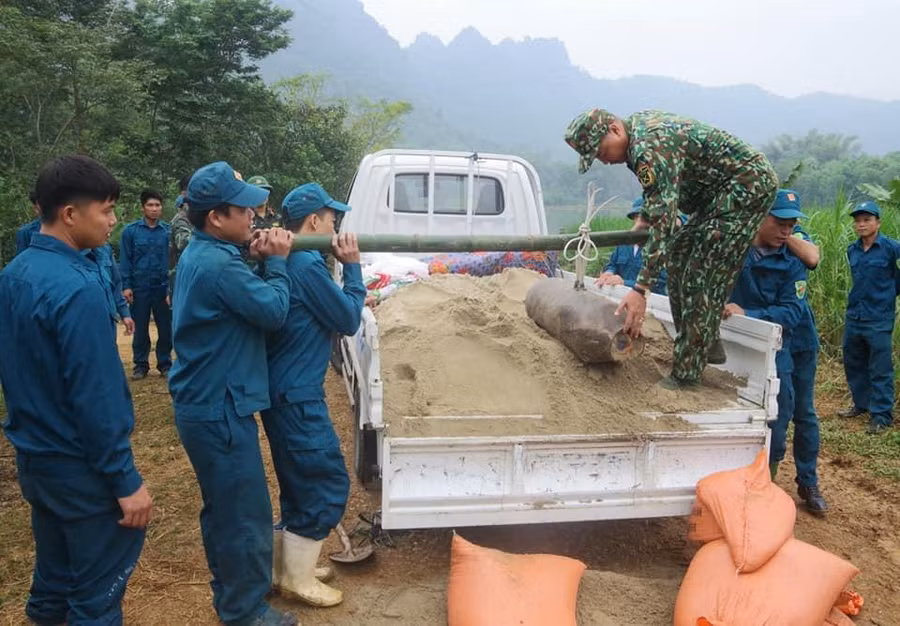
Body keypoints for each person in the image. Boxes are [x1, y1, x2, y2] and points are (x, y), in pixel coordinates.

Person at [0, 155, 152, 625]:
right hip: (80, 467)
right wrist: (124, 481)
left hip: (37, 459)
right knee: (95, 594)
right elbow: (95, 397)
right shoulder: (77, 288)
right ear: (70, 214)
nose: (112, 222)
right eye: (105, 211)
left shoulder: (15, 273)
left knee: (55, 577)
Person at [565, 108, 778, 389]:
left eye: (601, 150)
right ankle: (705, 339)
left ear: (615, 130)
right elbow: (659, 195)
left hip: (746, 186)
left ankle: (686, 376)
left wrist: (641, 289)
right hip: (714, 195)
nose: (602, 160)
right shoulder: (638, 140)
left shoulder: (648, 147)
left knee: (701, 270)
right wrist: (644, 220)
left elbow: (665, 221)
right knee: (678, 253)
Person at [168, 161, 297, 626]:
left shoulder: (205, 255)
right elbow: (274, 311)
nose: (254, 218)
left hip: (207, 403)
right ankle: (244, 612)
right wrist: (278, 262)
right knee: (244, 514)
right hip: (218, 406)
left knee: (225, 510)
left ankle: (232, 597)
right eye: (244, 210)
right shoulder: (219, 265)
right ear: (216, 217)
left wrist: (256, 258)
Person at [262, 183, 366, 607]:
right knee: (324, 481)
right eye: (331, 217)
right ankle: (298, 581)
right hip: (298, 395)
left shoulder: (287, 259)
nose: (335, 224)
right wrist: (353, 268)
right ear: (312, 222)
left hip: (280, 389)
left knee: (295, 483)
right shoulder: (305, 264)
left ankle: (285, 568)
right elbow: (347, 318)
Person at [726, 190, 826, 513]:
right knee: (773, 414)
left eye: (792, 223)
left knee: (803, 412)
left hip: (796, 343)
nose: (787, 230)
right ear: (759, 216)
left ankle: (808, 481)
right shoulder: (736, 250)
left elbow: (791, 312)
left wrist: (747, 315)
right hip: (759, 344)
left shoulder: (794, 254)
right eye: (780, 222)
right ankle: (765, 482)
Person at [838, 200, 900, 435]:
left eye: (867, 220)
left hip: (879, 317)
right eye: (858, 221)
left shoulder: (891, 248)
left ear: (878, 222)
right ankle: (862, 404)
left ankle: (882, 415)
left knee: (880, 367)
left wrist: (887, 294)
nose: (861, 224)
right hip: (855, 315)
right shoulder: (852, 249)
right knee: (854, 362)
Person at [120, 189, 172, 379]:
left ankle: (165, 363)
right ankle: (140, 365)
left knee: (165, 327)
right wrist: (126, 286)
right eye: (150, 205)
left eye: (157, 205)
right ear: (143, 208)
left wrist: (171, 288)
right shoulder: (131, 232)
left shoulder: (168, 231)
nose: (154, 209)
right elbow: (125, 260)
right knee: (140, 327)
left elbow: (173, 262)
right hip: (139, 287)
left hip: (162, 287)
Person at [595, 197, 669, 295]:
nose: (641, 222)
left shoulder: (661, 246)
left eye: (646, 217)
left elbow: (661, 283)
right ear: (633, 218)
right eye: (637, 217)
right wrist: (609, 272)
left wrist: (625, 283)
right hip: (620, 297)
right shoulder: (623, 244)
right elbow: (612, 264)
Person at [169, 173, 195, 302]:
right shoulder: (181, 218)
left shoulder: (200, 215)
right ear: (184, 193)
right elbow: (184, 242)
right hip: (182, 278)